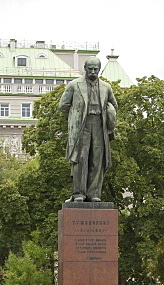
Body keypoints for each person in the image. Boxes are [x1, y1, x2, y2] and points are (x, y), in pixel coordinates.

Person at [59, 56, 119, 202]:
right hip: (82, 125)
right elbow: (63, 105)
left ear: (99, 70)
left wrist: (109, 118)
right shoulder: (74, 85)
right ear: (85, 69)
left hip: (99, 124)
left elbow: (114, 105)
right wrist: (76, 116)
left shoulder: (106, 87)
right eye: (90, 69)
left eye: (96, 69)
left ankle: (94, 194)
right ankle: (78, 193)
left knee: (97, 160)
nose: (93, 72)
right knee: (81, 158)